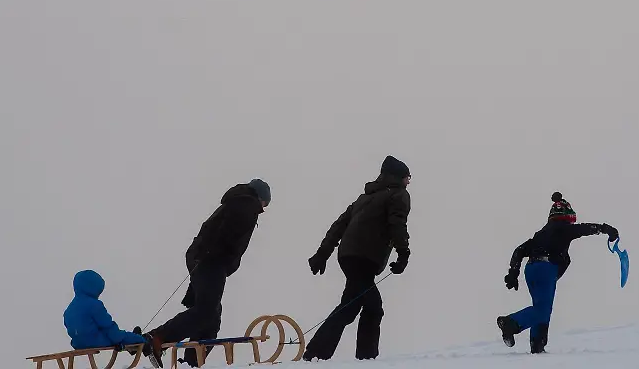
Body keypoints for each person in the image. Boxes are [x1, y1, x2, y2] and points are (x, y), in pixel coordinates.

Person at [142, 179, 271, 368]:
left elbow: (214, 228)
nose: (264, 209)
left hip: (205, 258)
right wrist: (213, 253)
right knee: (207, 311)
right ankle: (158, 338)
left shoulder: (238, 201)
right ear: (260, 198)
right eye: (265, 204)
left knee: (212, 313)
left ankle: (192, 362)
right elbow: (226, 232)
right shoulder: (247, 204)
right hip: (211, 260)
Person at [301, 155, 412, 361]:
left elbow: (338, 226)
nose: (409, 181)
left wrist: (322, 254)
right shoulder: (398, 195)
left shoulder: (363, 199)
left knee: (356, 305)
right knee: (370, 308)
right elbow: (397, 225)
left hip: (348, 256)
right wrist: (403, 253)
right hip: (365, 258)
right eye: (407, 177)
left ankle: (326, 353)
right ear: (397, 177)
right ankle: (337, 355)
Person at [496, 192, 619, 354]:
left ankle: (537, 345)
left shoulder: (541, 233)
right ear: (566, 214)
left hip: (531, 269)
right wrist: (604, 229)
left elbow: (519, 250)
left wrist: (513, 273)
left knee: (541, 307)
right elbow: (582, 229)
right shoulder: (563, 228)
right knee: (542, 310)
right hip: (545, 269)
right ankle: (511, 322)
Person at [63, 269, 146, 350]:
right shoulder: (94, 305)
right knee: (119, 335)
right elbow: (107, 325)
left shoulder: (69, 309)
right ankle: (141, 340)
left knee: (110, 335)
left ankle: (132, 340)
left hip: (78, 344)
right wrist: (119, 338)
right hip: (95, 341)